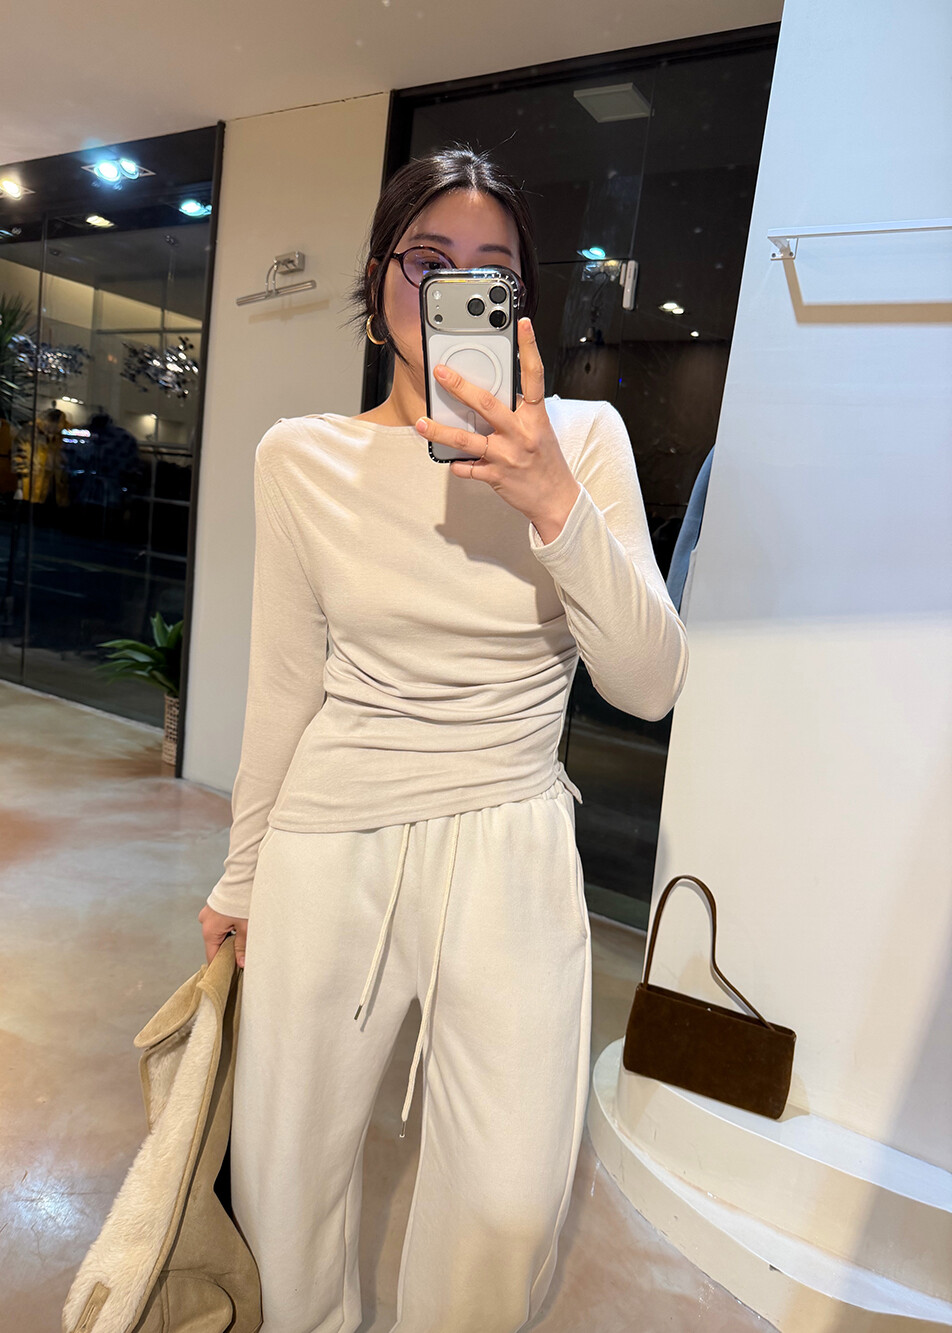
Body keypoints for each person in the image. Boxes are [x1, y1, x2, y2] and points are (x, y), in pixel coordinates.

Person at [197, 145, 690, 1333]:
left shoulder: (584, 441)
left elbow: (649, 685)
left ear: (519, 302)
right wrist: (241, 873)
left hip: (512, 831)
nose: (455, 288)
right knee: (287, 1175)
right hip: (331, 834)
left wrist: (550, 497)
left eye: (490, 270)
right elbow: (285, 685)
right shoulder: (300, 457)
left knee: (511, 1201)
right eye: (427, 260)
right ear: (378, 283)